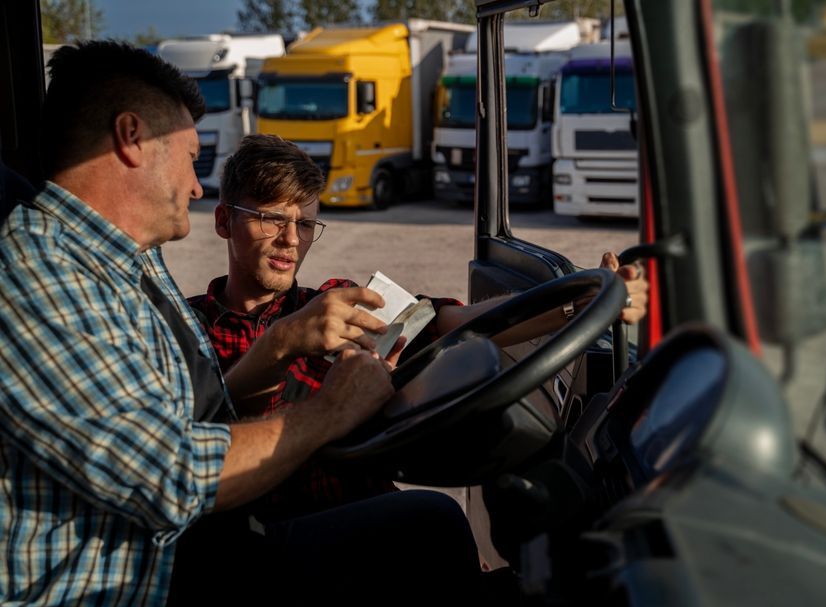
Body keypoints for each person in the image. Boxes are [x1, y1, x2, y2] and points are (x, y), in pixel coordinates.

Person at [0, 40, 492, 607]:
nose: (195, 182)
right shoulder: (40, 273)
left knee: (430, 523)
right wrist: (329, 410)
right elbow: (170, 476)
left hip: (194, 555)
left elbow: (431, 318)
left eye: (304, 224)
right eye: (188, 157)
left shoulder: (122, 265)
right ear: (131, 138)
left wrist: (563, 306)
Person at [184, 133, 649, 530]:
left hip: (360, 508)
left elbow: (455, 323)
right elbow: (193, 445)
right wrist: (283, 347)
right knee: (435, 520)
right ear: (225, 221)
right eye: (271, 218)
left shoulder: (334, 304)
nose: (290, 240)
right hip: (268, 534)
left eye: (305, 224)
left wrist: (574, 302)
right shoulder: (185, 330)